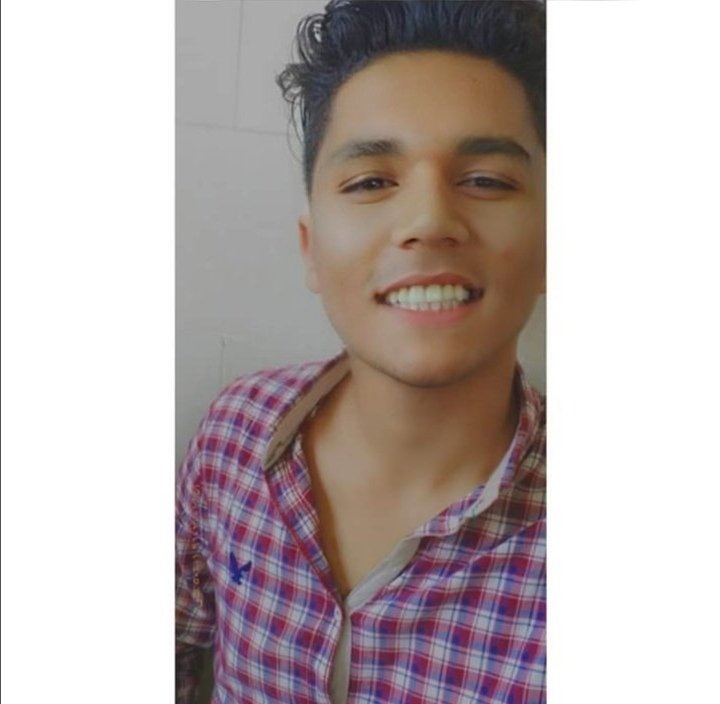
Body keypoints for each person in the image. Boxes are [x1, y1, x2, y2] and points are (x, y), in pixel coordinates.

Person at [176, 1, 546, 702]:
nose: (429, 220)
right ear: (311, 249)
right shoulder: (232, 439)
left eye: (487, 180)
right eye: (372, 181)